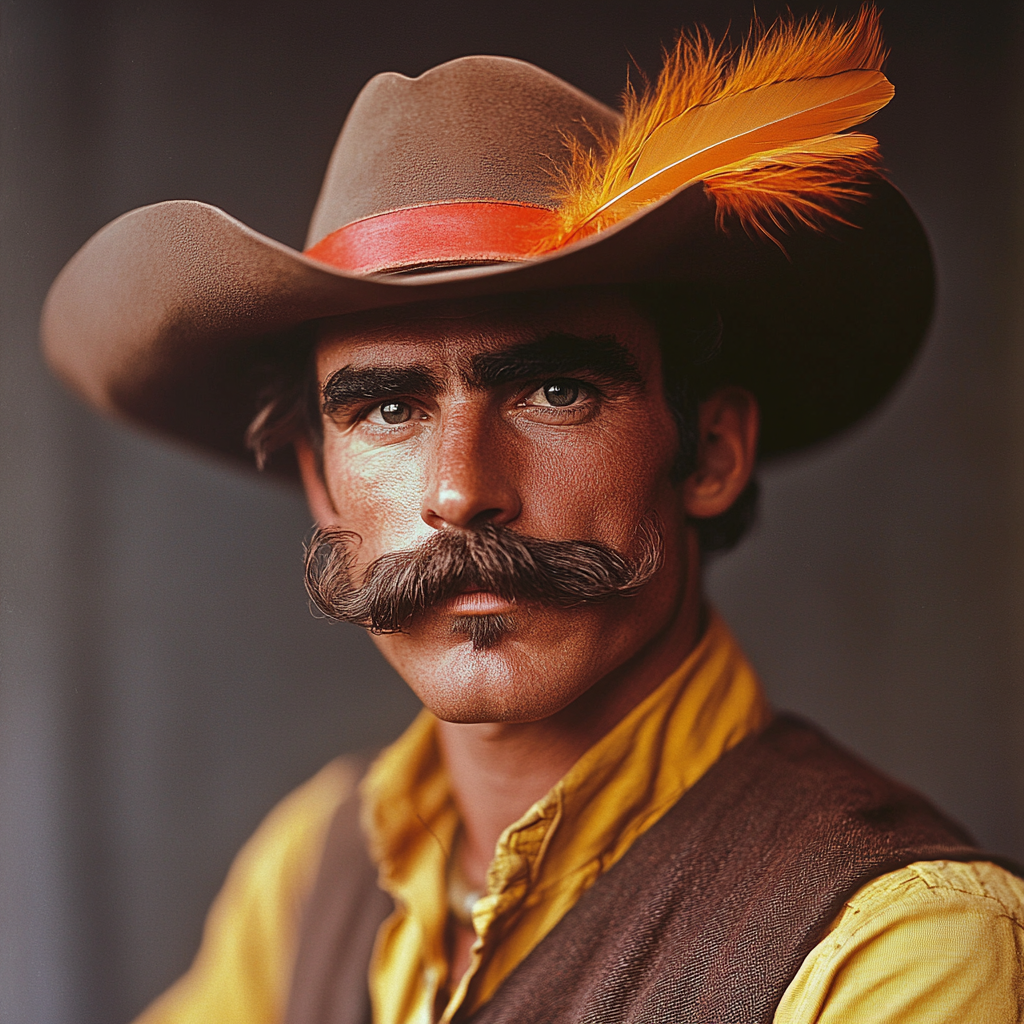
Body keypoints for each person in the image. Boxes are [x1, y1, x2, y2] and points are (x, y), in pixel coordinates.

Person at [41, 8, 1024, 1024]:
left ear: (710, 452)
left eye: (553, 392)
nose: (462, 490)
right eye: (387, 408)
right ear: (323, 485)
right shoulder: (309, 875)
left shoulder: (895, 944)